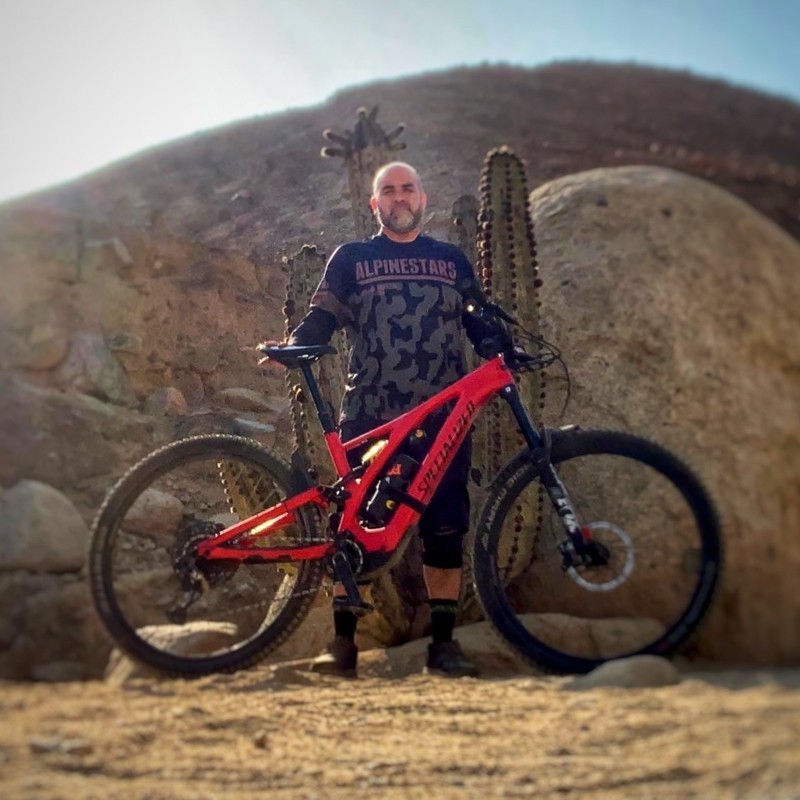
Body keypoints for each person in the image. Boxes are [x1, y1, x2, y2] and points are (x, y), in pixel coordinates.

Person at [284, 161, 499, 678]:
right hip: (371, 412)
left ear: (423, 199)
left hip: (445, 416)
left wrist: (505, 350)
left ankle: (443, 647)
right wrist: (295, 347)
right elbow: (324, 316)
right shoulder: (353, 258)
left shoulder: (450, 259)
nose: (399, 197)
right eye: (388, 191)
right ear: (374, 204)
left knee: (446, 524)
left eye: (407, 189)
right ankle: (342, 647)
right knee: (353, 526)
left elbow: (479, 319)